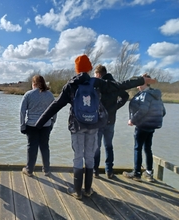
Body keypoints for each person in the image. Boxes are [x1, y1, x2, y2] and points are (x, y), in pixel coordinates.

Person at [35, 54, 157, 200]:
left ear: (77, 70)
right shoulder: (98, 82)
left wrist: (38, 124)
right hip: (93, 124)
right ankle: (87, 190)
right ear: (89, 69)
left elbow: (56, 105)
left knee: (78, 156)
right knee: (89, 156)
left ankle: (77, 191)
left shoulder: (70, 85)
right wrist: (142, 80)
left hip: (77, 126)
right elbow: (121, 85)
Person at [123, 75, 166, 182]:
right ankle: (149, 173)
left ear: (146, 82)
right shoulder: (155, 94)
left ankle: (137, 173)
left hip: (142, 125)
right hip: (152, 126)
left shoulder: (145, 95)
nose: (138, 84)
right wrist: (153, 119)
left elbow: (143, 110)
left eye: (140, 81)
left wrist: (132, 120)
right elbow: (163, 112)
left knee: (137, 147)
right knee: (147, 148)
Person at [93, 65, 129, 179]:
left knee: (96, 146)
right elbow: (125, 96)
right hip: (111, 119)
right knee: (108, 146)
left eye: (95, 75)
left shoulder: (98, 85)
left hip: (98, 119)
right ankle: (109, 171)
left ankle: (95, 170)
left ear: (98, 74)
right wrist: (115, 106)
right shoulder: (115, 84)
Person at [20, 75, 57, 177]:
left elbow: (22, 111)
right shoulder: (50, 95)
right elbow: (54, 110)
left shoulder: (28, 94)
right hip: (46, 125)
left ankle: (29, 170)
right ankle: (46, 170)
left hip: (32, 125)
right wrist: (53, 122)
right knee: (45, 147)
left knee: (32, 147)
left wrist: (22, 125)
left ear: (34, 84)